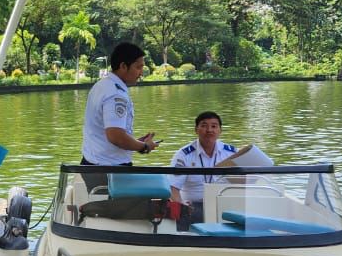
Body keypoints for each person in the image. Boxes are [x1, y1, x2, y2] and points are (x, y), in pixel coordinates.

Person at [79, 42, 160, 188]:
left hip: (93, 164)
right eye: (138, 67)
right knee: (129, 209)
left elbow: (110, 133)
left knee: (107, 210)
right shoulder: (116, 94)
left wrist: (134, 142)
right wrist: (144, 146)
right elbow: (115, 136)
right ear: (123, 66)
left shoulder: (102, 85)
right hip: (109, 170)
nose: (141, 72)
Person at [169, 111, 238, 211]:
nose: (209, 130)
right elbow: (173, 188)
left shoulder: (232, 153)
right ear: (196, 130)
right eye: (204, 126)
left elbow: (245, 182)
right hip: (193, 206)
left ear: (220, 131)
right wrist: (181, 207)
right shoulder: (184, 155)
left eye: (214, 126)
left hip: (224, 205)